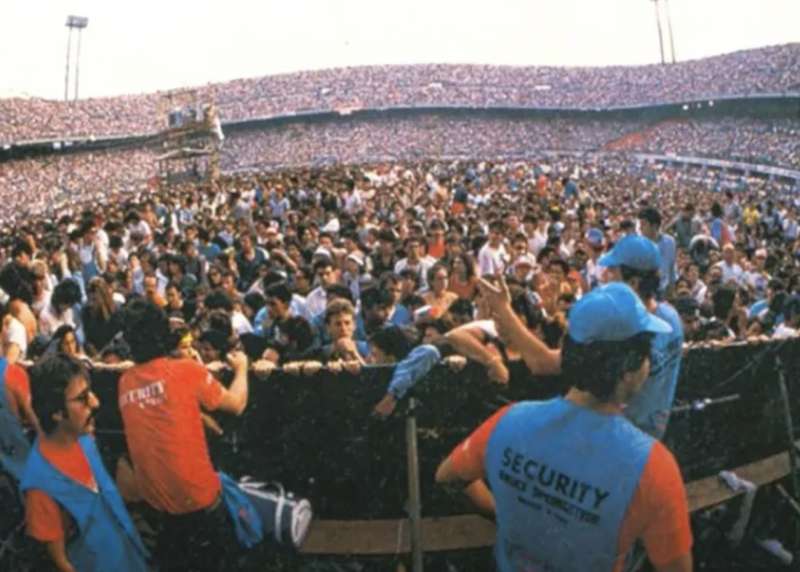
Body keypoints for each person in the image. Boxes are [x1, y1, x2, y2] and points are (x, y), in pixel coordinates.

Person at [435, 283, 692, 572]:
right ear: (629, 370)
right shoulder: (653, 466)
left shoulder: (509, 421)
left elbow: (448, 477)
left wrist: (504, 513)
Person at [117, 299, 250, 571]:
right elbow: (236, 404)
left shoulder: (125, 382)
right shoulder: (185, 370)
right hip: (202, 506)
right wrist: (242, 368)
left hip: (161, 513)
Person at [21, 354, 149, 572]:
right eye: (82, 398)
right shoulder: (39, 488)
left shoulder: (83, 437)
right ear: (56, 414)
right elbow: (61, 562)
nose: (95, 402)